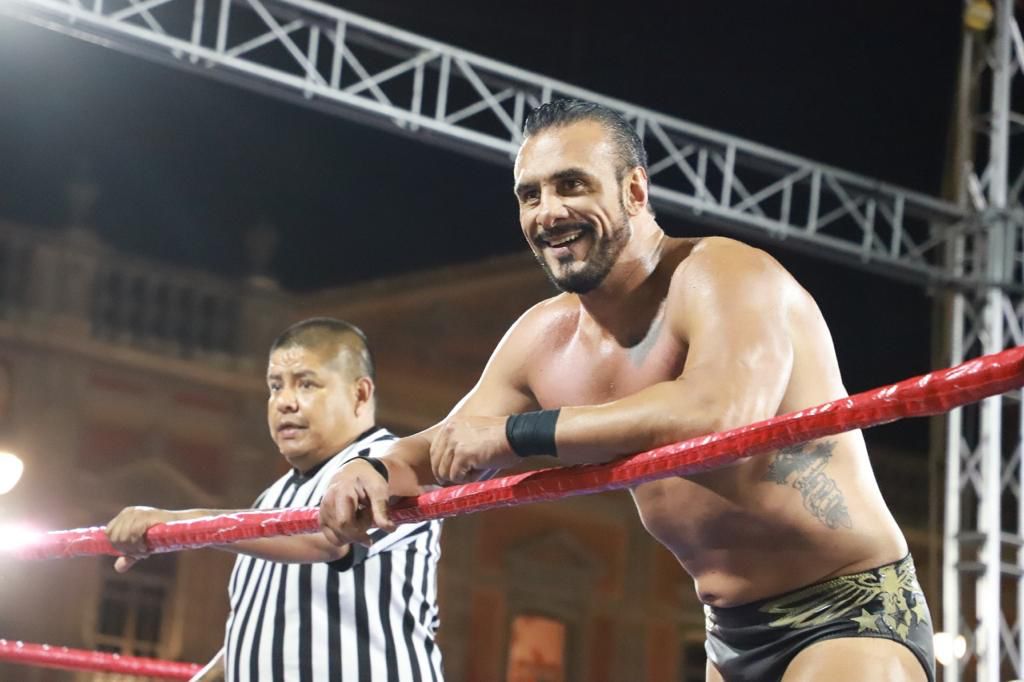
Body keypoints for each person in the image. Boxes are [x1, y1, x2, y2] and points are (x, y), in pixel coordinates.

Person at [318, 100, 935, 682]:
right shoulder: (543, 338)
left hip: (846, 605)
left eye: (571, 184)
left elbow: (719, 414)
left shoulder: (724, 274)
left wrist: (516, 434)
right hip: (729, 631)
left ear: (635, 191)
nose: (547, 212)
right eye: (530, 195)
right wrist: (375, 465)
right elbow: (454, 445)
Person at [106, 318, 444, 682]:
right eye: (275, 386)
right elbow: (260, 625)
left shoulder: (388, 466)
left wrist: (180, 524)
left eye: (306, 384)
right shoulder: (271, 497)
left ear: (360, 394)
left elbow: (325, 538)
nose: (284, 402)